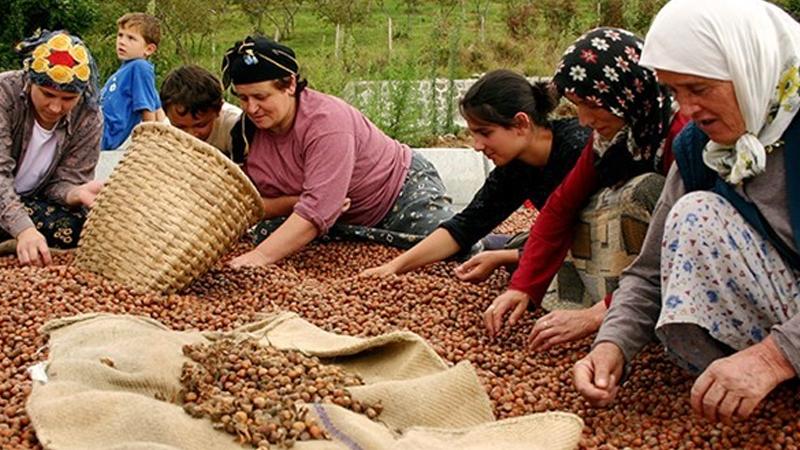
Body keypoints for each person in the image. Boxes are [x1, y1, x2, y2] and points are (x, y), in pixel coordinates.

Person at [574, 0, 800, 425]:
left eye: (698, 88)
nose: (687, 110)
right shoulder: (703, 148)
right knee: (694, 214)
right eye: (675, 92)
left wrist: (774, 358)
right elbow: (648, 272)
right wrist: (612, 344)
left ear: (749, 66)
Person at [483, 27, 689, 349]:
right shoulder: (611, 140)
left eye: (592, 104)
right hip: (636, 277)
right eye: (577, 105)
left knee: (647, 189)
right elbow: (561, 206)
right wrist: (522, 286)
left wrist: (600, 314)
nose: (583, 119)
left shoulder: (682, 136)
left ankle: (640, 316)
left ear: (625, 91)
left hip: (675, 270)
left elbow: (686, 245)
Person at [221, 36, 455, 268]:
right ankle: (362, 237)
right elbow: (251, 203)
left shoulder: (326, 123)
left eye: (261, 97)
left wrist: (260, 257)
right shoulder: (245, 134)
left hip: (397, 193)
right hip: (338, 219)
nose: (251, 108)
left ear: (290, 84)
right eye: (243, 98)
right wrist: (297, 202)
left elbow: (317, 209)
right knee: (264, 234)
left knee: (452, 246)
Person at [363, 69, 589, 277]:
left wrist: (505, 257)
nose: (477, 145)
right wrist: (393, 267)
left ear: (521, 123)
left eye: (485, 133)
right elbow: (466, 226)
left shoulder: (581, 149)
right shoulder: (515, 167)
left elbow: (593, 237)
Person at [0, 30, 103, 266]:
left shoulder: (88, 116)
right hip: (6, 195)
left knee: (77, 227)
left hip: (29, 201)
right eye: (47, 94)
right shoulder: (4, 94)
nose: (56, 107)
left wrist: (75, 193)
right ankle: (19, 238)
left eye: (68, 99)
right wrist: (24, 229)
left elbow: (61, 182)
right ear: (30, 81)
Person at [100, 12, 165, 151]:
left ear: (149, 49)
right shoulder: (126, 69)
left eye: (131, 38)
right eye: (120, 35)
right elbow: (158, 108)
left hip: (102, 135)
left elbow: (148, 110)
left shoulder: (140, 67)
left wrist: (151, 145)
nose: (122, 41)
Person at [160, 65, 242, 157]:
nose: (190, 135)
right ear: (166, 114)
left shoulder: (236, 126)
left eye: (200, 125)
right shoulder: (165, 132)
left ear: (218, 110)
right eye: (180, 127)